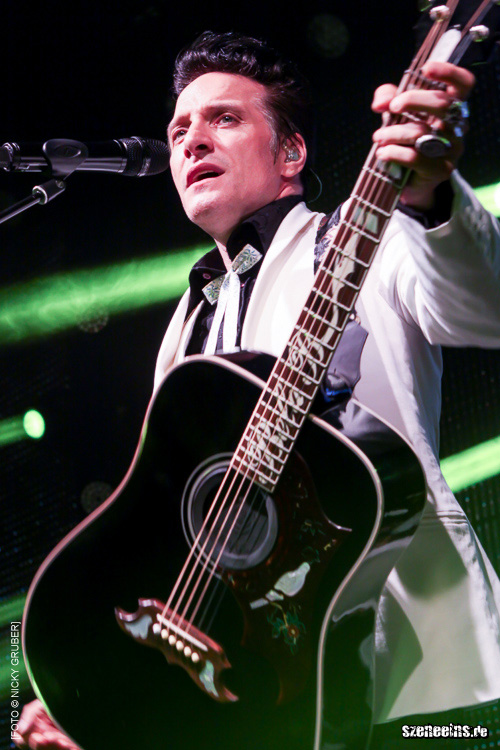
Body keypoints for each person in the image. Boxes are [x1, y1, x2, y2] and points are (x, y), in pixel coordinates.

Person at [15, 30, 500, 750]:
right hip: (265, 702)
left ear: (291, 153)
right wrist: (103, 700)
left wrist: (430, 198)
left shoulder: (368, 240)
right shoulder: (188, 324)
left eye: (225, 119)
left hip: (424, 673)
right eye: (179, 130)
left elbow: (485, 307)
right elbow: (177, 538)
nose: (192, 140)